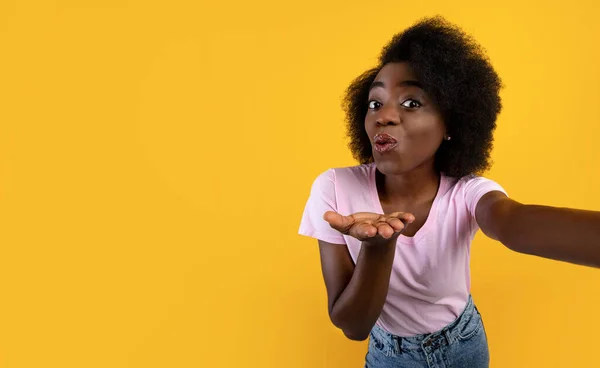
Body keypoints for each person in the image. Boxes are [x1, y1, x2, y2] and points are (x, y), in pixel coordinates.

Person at [298, 16, 600, 368]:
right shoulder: (334, 188)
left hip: (463, 344)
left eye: (411, 103)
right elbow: (353, 326)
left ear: (451, 125)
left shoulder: (468, 194)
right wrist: (378, 248)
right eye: (375, 103)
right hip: (388, 355)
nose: (384, 116)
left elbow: (514, 223)